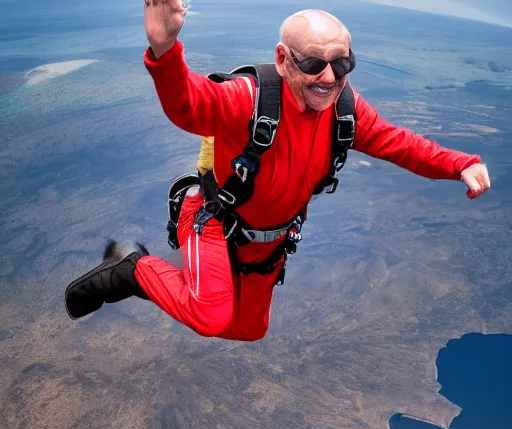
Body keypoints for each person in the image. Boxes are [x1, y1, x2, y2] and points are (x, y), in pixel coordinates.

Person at [64, 3, 491, 342]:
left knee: (248, 329)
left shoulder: (346, 112)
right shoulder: (250, 100)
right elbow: (191, 105)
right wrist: (164, 49)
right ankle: (130, 268)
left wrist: (460, 164)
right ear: (283, 59)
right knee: (211, 315)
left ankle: (161, 276)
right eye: (313, 65)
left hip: (269, 239)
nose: (329, 77)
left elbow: (398, 143)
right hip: (212, 221)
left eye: (342, 64)